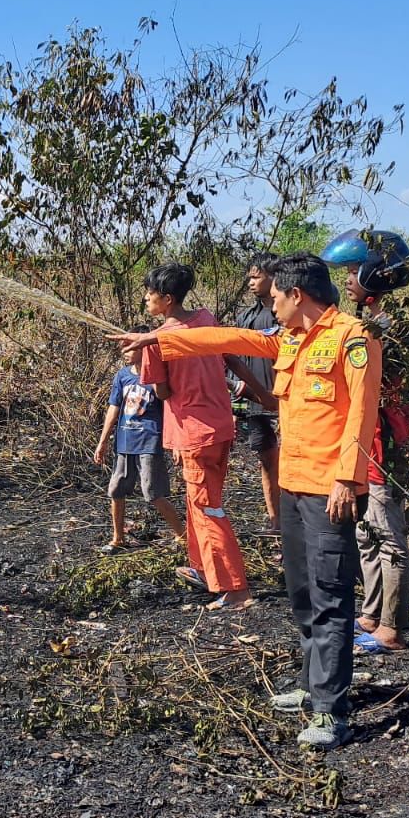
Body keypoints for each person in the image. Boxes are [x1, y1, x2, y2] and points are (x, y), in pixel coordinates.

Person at [115, 253, 381, 750]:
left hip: (331, 489)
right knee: (302, 591)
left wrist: (348, 479)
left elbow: (362, 415)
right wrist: (155, 340)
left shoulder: (353, 338)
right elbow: (226, 338)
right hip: (294, 484)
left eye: (276, 296)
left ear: (296, 294)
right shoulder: (290, 339)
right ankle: (311, 686)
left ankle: (331, 710)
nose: (271, 305)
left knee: (330, 595)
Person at [320, 230, 409, 654]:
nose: (347, 280)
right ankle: (373, 612)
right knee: (367, 533)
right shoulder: (373, 323)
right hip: (365, 443)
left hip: (383, 443)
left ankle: (392, 626)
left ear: (376, 273)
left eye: (353, 271)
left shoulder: (385, 329)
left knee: (388, 534)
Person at [136, 264, 251, 609]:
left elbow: (162, 391)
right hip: (218, 426)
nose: (146, 299)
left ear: (167, 299)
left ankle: (234, 588)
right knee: (198, 500)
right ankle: (203, 569)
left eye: (150, 294)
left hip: (195, 432)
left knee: (207, 508)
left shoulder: (156, 342)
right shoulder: (205, 319)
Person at [94, 343, 184, 552]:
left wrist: (175, 443)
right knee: (116, 490)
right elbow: (114, 408)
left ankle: (183, 534)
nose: (124, 353)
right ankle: (118, 538)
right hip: (125, 441)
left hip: (149, 441)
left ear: (144, 349)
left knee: (152, 493)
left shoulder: (158, 377)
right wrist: (103, 441)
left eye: (130, 348)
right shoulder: (122, 376)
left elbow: (172, 409)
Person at [228, 253, 282, 536]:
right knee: (266, 460)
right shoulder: (246, 317)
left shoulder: (288, 315)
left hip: (287, 402)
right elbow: (236, 361)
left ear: (273, 277)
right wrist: (236, 406)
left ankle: (297, 520)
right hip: (255, 404)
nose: (250, 282)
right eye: (249, 277)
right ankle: (275, 520)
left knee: (292, 461)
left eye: (256, 277)